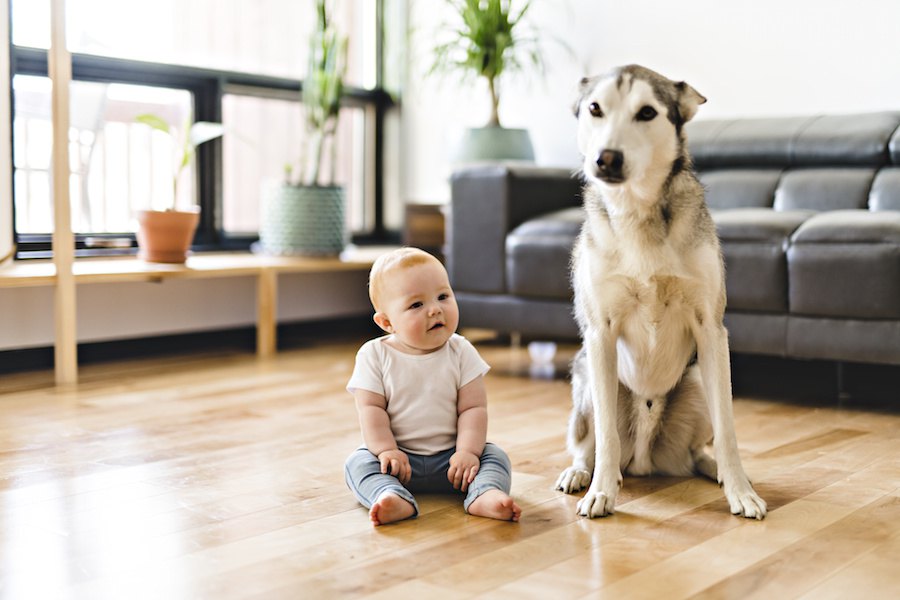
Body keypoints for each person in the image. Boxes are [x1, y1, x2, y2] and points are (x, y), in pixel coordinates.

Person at [344, 247, 522, 526]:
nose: (435, 309)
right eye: (417, 305)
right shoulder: (374, 355)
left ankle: (483, 493)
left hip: (454, 462)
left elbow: (473, 408)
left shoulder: (461, 351)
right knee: (358, 463)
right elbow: (371, 409)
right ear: (387, 322)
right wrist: (386, 450)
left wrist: (467, 452)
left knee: (494, 456)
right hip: (399, 462)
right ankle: (390, 495)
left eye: (443, 296)